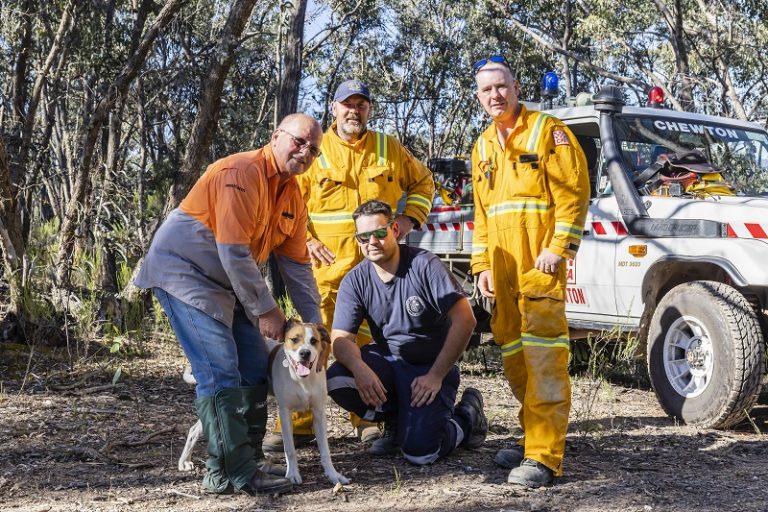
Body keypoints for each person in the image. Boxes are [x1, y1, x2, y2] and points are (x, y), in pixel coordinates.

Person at [135, 113, 325, 495]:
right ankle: (228, 473)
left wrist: (318, 331)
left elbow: (298, 268)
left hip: (228, 283)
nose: (305, 152)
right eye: (299, 141)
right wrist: (267, 311)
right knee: (220, 369)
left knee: (255, 364)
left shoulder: (292, 196)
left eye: (314, 149)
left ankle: (247, 458)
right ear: (276, 136)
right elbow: (234, 251)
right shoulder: (240, 173)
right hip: (185, 274)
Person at [264, 79, 435, 453]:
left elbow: (424, 183)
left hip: (379, 276)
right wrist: (305, 240)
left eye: (361, 104)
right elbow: (290, 201)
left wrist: (409, 220)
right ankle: (300, 423)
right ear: (333, 108)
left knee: (369, 346)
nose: (353, 111)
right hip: (327, 275)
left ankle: (368, 420)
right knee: (312, 343)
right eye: (347, 104)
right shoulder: (315, 150)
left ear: (369, 109)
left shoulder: (388, 148)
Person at [471, 56, 590, 487]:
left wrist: (559, 247)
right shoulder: (482, 146)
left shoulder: (548, 130)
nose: (495, 95)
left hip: (539, 265)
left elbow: (574, 193)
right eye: (486, 90)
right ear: (479, 96)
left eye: (501, 86)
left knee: (544, 359)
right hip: (502, 271)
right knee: (514, 357)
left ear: (516, 87)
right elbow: (482, 215)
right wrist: (482, 264)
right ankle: (531, 439)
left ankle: (544, 456)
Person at [325, 200, 487, 465]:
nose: (372, 242)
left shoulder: (424, 265)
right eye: (363, 237)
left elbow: (465, 320)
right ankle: (397, 423)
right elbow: (340, 339)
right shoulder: (355, 280)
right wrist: (359, 368)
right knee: (338, 380)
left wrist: (436, 375)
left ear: (395, 230)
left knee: (421, 454)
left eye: (379, 233)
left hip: (430, 368)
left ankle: (467, 419)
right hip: (390, 362)